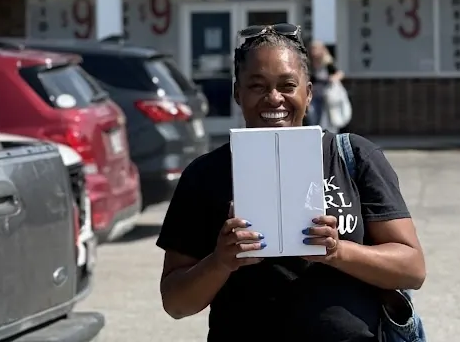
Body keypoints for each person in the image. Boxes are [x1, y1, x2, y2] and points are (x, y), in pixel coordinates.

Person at [157, 24, 425, 342]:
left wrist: (338, 251)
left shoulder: (353, 157)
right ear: (237, 93)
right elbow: (175, 303)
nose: (274, 98)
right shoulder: (205, 174)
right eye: (257, 86)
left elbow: (412, 269)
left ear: (308, 93)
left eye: (287, 85)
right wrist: (221, 261)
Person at [307, 39, 344, 128]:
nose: (314, 52)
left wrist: (332, 79)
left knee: (327, 119)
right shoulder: (309, 64)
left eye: (315, 49)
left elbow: (340, 74)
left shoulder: (327, 63)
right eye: (312, 49)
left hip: (327, 95)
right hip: (314, 95)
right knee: (312, 116)